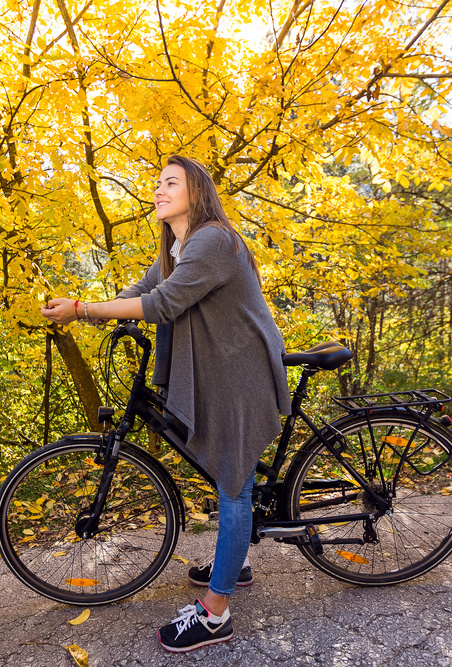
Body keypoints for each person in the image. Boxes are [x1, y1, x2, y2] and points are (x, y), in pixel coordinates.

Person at [40, 155, 290, 652]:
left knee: (234, 485)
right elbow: (144, 290)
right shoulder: (179, 247)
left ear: (195, 192)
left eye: (169, 183)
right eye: (156, 184)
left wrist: (84, 310)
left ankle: (216, 616)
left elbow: (162, 305)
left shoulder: (214, 240)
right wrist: (91, 311)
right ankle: (234, 560)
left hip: (241, 372)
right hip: (218, 371)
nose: (158, 190)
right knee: (220, 468)